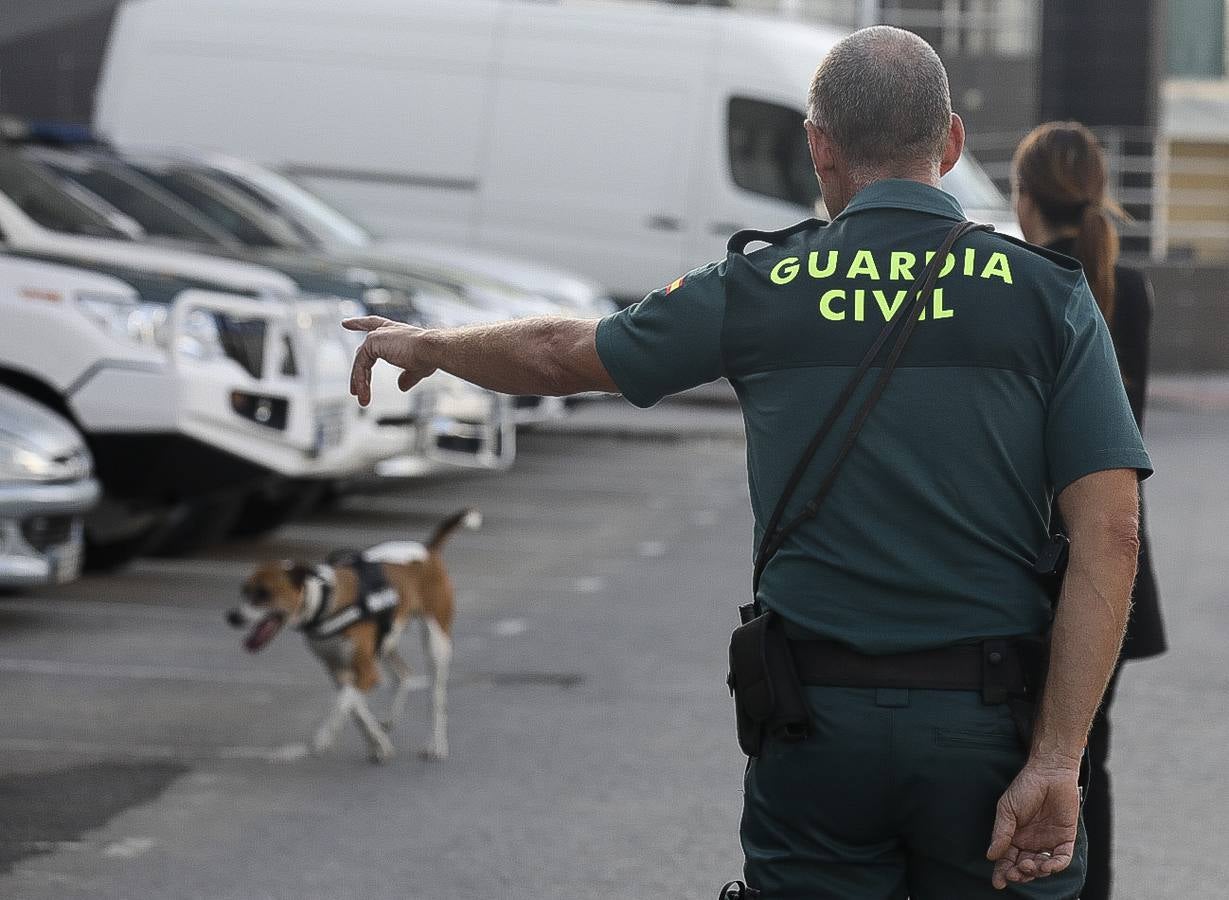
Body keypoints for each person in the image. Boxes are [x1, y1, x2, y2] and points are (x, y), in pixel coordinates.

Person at [344, 26, 1150, 899]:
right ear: (951, 143)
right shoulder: (1047, 296)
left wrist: (428, 343)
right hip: (988, 729)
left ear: (818, 147)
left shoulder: (763, 286)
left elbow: (556, 352)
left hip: (815, 729)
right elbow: (1109, 535)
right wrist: (1058, 758)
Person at [1012, 121, 1168, 900]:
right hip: (1108, 553)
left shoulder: (1020, 283)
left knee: (1013, 751)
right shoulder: (1127, 285)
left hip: (1020, 555)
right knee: (1082, 757)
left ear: (1021, 194)